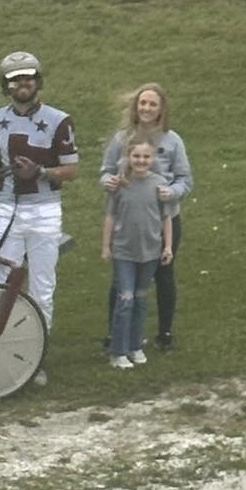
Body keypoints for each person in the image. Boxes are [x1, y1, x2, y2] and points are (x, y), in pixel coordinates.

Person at [0, 50, 80, 386]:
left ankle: (34, 358)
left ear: (37, 81)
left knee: (42, 287)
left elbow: (71, 170)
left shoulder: (59, 120)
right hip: (7, 209)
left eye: (28, 77)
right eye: (15, 79)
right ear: (6, 86)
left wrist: (40, 171)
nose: (23, 84)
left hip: (45, 210)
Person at [99, 82, 192, 351]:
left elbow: (186, 179)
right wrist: (110, 182)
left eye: (153, 104)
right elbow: (105, 171)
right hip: (127, 221)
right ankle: (114, 332)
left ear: (162, 109)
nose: (147, 108)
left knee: (163, 273)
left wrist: (171, 191)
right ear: (135, 107)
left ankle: (164, 332)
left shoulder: (173, 140)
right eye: (143, 103)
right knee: (122, 277)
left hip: (163, 220)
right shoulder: (121, 139)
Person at [101, 139, 174, 369]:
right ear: (128, 158)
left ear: (152, 159)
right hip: (124, 250)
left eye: (146, 157)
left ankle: (135, 346)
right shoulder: (119, 184)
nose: (141, 161)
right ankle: (118, 351)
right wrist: (106, 246)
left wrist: (168, 246)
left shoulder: (159, 184)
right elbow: (110, 217)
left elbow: (166, 218)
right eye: (136, 156)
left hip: (150, 251)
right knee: (125, 298)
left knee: (141, 298)